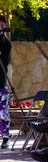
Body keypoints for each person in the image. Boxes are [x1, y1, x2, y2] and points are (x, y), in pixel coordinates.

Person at [0, 15, 12, 149]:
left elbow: (4, 55)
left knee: (3, 111)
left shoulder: (5, 42)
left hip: (0, 80)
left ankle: (5, 136)